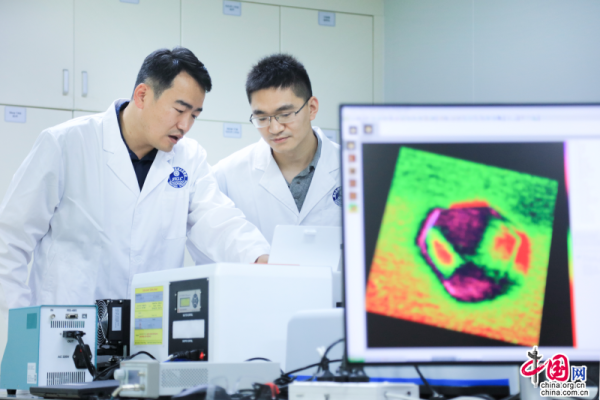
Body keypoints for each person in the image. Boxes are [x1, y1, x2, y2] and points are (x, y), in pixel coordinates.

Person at [0, 47, 269, 310]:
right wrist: (21, 320)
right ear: (142, 95)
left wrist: (258, 256)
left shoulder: (189, 158)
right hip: (65, 327)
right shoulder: (66, 143)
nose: (185, 125)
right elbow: (10, 238)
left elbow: (218, 220)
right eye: (179, 110)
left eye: (194, 116)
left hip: (148, 328)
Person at [188, 54, 341, 264]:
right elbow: (206, 243)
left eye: (285, 114)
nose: (274, 128)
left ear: (312, 108)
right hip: (255, 286)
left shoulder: (356, 168)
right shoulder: (226, 174)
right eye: (262, 118)